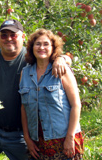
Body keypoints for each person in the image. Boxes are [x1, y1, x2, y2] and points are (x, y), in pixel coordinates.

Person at [0, 20, 69, 160]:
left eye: (13, 35)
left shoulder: (32, 59)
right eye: (4, 35)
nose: (8, 39)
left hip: (22, 135)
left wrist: (61, 59)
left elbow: (51, 55)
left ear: (23, 37)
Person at [19, 29, 84, 160]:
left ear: (53, 48)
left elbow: (76, 105)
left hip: (64, 138)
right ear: (31, 48)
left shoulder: (62, 70)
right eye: (37, 44)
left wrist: (70, 137)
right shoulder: (25, 73)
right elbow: (23, 107)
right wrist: (27, 137)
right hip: (38, 141)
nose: (41, 47)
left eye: (46, 44)